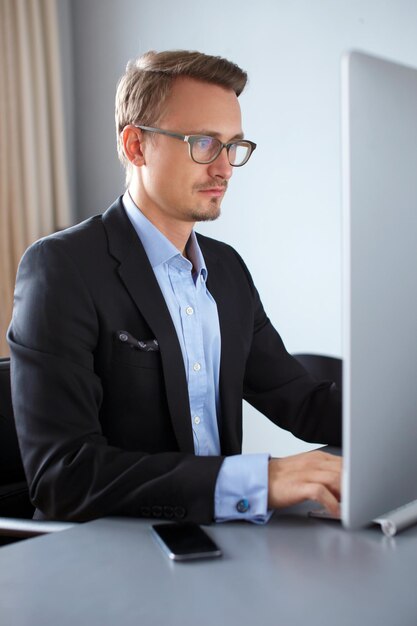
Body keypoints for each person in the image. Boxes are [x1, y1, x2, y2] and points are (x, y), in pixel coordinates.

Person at [8, 50, 342, 524]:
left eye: (233, 146)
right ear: (136, 145)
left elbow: (302, 402)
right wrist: (258, 481)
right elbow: (64, 475)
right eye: (204, 143)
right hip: (107, 558)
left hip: (218, 543)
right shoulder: (61, 268)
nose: (225, 168)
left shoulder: (226, 271)